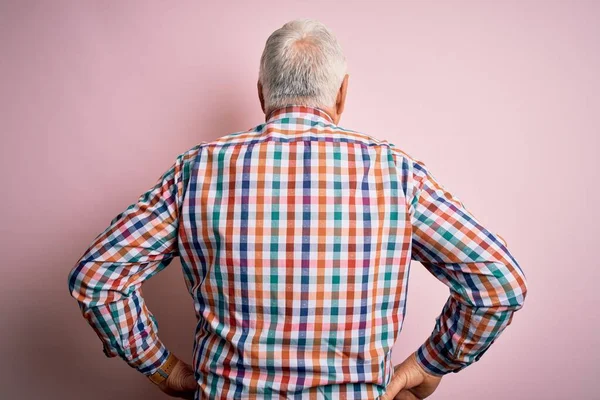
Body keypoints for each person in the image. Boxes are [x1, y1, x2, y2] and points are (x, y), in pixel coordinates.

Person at [67, 18, 528, 400]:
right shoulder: (396, 173)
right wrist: (430, 364)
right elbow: (499, 284)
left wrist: (163, 369)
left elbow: (97, 278)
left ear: (262, 93)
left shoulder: (198, 170)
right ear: (342, 93)